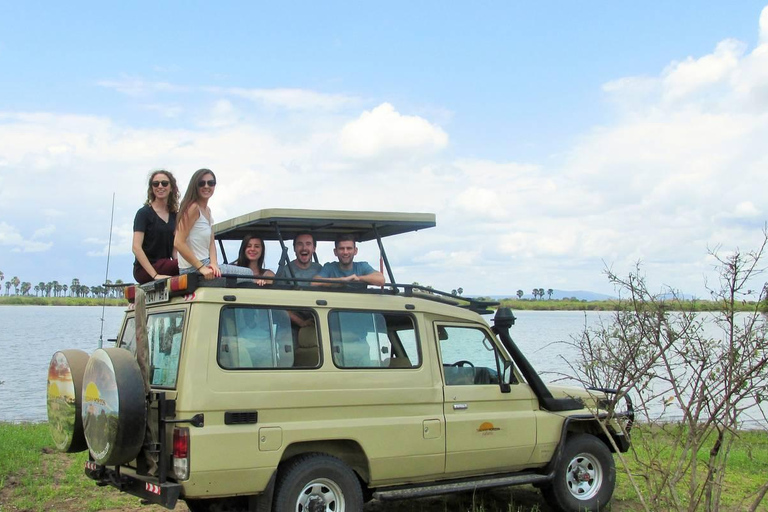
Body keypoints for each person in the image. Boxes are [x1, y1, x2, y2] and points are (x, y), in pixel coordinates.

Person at [174, 169, 254, 281]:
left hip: (206, 263)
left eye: (210, 183)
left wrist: (214, 264)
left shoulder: (207, 211)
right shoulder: (193, 208)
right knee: (249, 274)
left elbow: (211, 242)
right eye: (202, 183)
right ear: (195, 186)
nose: (206, 186)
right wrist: (201, 267)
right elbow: (178, 242)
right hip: (193, 268)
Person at [132, 170, 180, 284]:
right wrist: (155, 275)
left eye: (164, 183)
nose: (160, 186)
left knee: (189, 263)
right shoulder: (143, 213)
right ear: (151, 188)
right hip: (145, 269)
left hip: (166, 265)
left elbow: (175, 250)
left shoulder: (175, 216)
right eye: (156, 183)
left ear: (171, 187)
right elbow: (136, 247)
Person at [312, 234, 385, 288]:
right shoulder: (329, 267)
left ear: (355, 251)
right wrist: (342, 280)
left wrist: (358, 278)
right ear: (335, 252)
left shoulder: (362, 266)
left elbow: (381, 280)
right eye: (341, 248)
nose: (345, 252)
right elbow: (314, 283)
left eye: (349, 248)